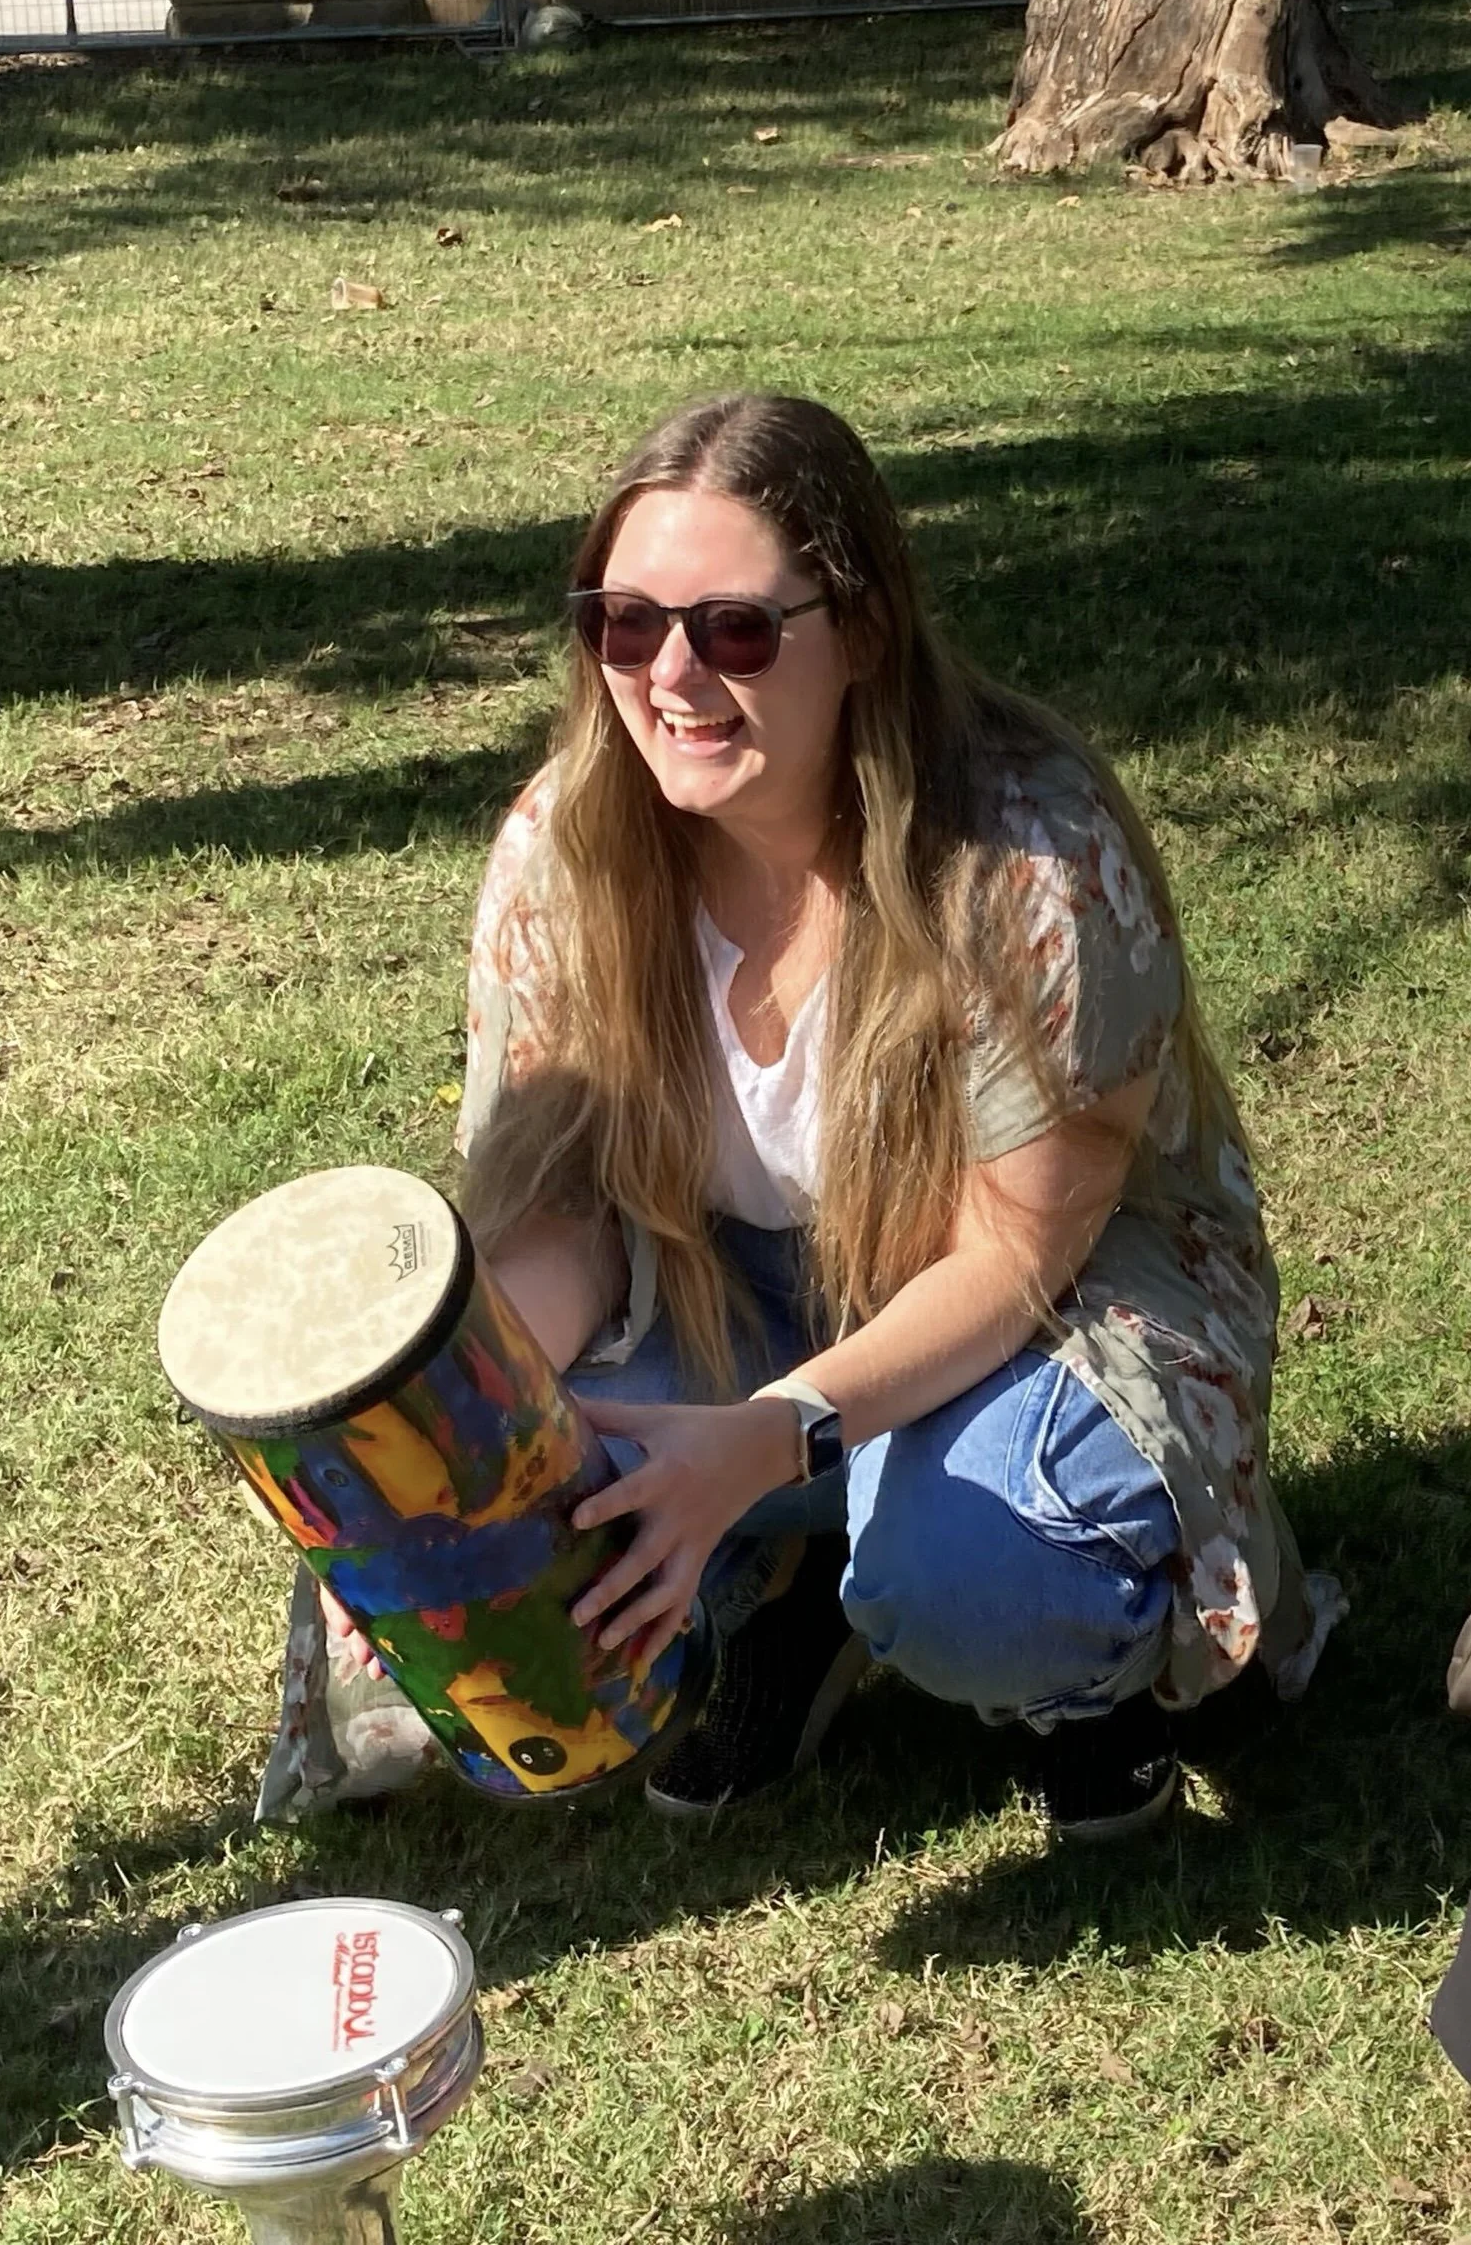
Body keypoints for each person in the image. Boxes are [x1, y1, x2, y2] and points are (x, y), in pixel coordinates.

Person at [319, 392, 1339, 1839]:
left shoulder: (1024, 852)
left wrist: (768, 1432)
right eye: (623, 623)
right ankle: (790, 1593)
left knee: (983, 1575)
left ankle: (1099, 1658)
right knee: (522, 1481)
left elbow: (1011, 1256)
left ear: (858, 630)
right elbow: (551, 1212)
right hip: (727, 1290)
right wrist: (452, 1454)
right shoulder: (569, 848)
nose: (671, 675)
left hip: (1049, 1295)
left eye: (734, 629)